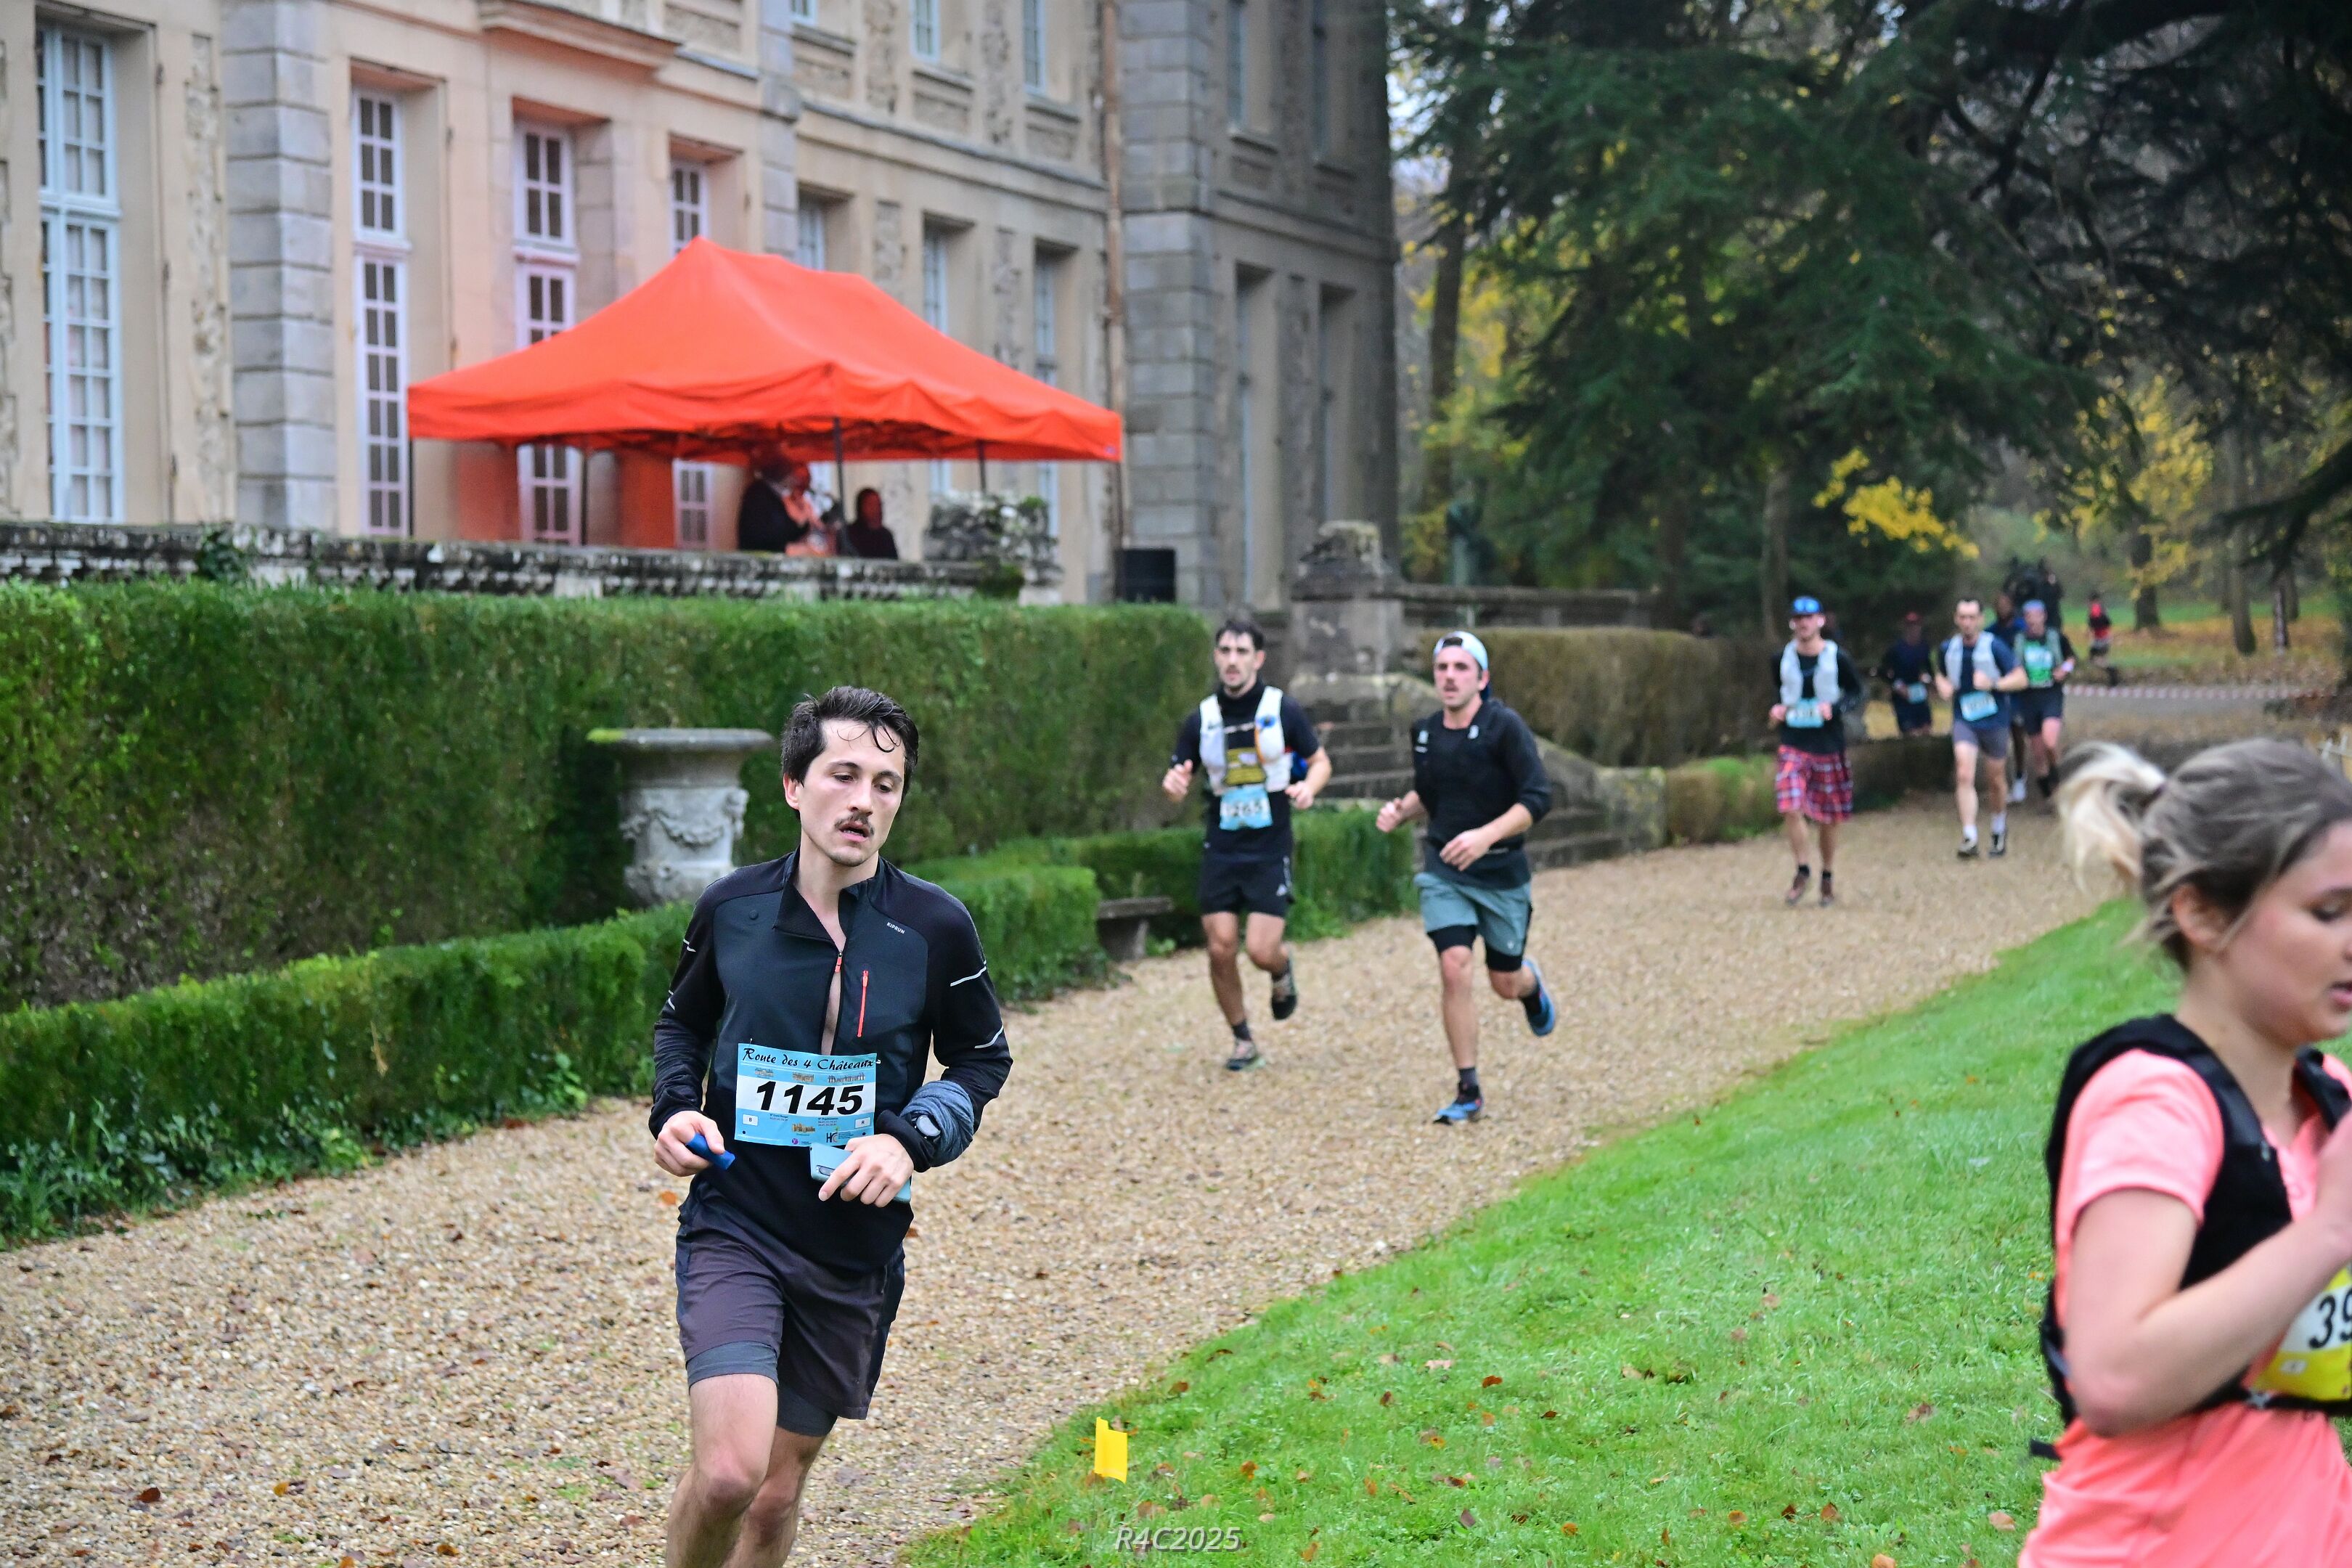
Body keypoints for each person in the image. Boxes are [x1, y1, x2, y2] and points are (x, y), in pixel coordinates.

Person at [648, 686, 1013, 1568]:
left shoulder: (935, 926)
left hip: (852, 1251)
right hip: (737, 1222)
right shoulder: (732, 908)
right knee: (729, 1476)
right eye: (843, 776)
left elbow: (982, 1061)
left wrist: (907, 1140)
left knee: (774, 1498)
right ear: (792, 786)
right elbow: (681, 1026)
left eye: (887, 784)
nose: (864, 801)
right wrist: (676, 1108)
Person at [2025, 739, 2352, 1567]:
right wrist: (2327, 1233)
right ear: (2203, 914)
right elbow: (2113, 1379)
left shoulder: (2329, 1100)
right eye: (2329, 913)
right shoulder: (2157, 1106)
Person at [1375, 631, 1559, 1124]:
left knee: (1504, 981)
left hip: (1501, 873)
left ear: (1482, 678)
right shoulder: (1425, 733)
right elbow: (1433, 793)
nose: (1450, 677)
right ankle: (1468, 1089)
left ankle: (1530, 986)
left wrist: (1485, 836)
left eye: (1461, 668)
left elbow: (1538, 798)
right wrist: (1402, 810)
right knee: (1454, 965)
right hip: (1446, 870)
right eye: (1442, 668)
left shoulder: (1505, 728)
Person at [1162, 618, 1331, 1069]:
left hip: (1269, 847)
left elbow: (1320, 761)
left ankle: (1280, 968)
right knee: (1220, 947)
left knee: (1260, 949)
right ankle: (1242, 1039)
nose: (1232, 661)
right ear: (1216, 657)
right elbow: (1177, 776)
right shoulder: (1201, 719)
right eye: (1225, 651)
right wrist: (1174, 785)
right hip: (1222, 847)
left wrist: (1309, 787)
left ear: (1258, 659)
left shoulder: (1282, 709)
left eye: (1241, 652)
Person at [1768, 595, 1863, 907]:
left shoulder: (1838, 658)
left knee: (1828, 817)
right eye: (1798, 619)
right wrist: (1777, 710)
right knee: (1789, 804)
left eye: (1809, 618)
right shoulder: (1780, 659)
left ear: (1820, 621)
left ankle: (1827, 874)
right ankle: (1802, 869)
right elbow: (1780, 692)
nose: (1803, 624)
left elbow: (1857, 692)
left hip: (1828, 744)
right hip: (1794, 742)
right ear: (1792, 623)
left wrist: (1835, 710)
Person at [1935, 595, 2027, 859]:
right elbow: (1940, 673)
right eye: (1963, 617)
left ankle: (1998, 828)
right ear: (1956, 619)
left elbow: (2021, 678)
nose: (1967, 623)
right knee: (1964, 773)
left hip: (1995, 719)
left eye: (1972, 617)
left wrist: (1994, 684)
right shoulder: (1948, 648)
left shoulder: (1995, 646)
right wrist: (1942, 685)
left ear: (1981, 620)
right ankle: (1969, 836)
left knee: (1995, 780)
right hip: (1964, 719)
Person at [2012, 599, 2079, 802]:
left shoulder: (2055, 637)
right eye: (2029, 617)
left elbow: (2072, 658)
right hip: (2029, 697)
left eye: (2037, 616)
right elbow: (2011, 665)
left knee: (2050, 742)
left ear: (2044, 617)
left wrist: (2064, 670)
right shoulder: (2019, 640)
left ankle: (2056, 778)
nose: (2033, 621)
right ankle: (2048, 794)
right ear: (2024, 619)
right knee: (2038, 752)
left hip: (2051, 695)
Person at [735, 449, 808, 553]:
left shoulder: (769, 495)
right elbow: (771, 533)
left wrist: (803, 524)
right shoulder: (760, 495)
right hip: (759, 557)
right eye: (792, 474)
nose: (794, 480)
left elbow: (784, 530)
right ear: (783, 474)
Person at [1879, 611, 1937, 738]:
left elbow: (1929, 669)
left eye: (1916, 626)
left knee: (1926, 730)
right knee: (1910, 733)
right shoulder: (1896, 649)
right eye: (1910, 626)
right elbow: (1883, 671)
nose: (1914, 629)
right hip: (1903, 698)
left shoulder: (1924, 647)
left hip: (1920, 695)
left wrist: (1929, 681)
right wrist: (1898, 686)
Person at [841, 488, 900, 560]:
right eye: (871, 505)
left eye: (878, 505)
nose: (876, 509)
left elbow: (894, 563)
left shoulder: (886, 536)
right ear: (861, 507)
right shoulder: (848, 534)